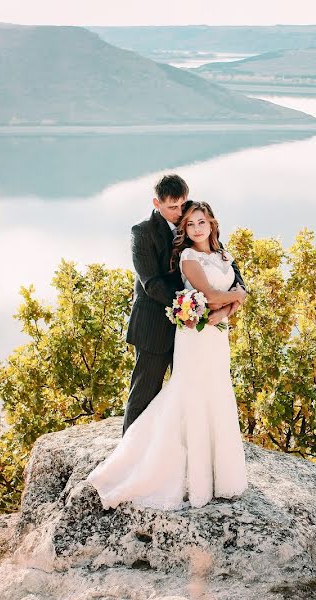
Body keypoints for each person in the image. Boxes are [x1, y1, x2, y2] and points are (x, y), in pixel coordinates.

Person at [86, 200, 249, 510]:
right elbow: (209, 296)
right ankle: (139, 456)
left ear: (211, 223)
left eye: (201, 222)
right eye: (190, 224)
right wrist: (234, 298)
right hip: (190, 333)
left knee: (214, 393)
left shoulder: (221, 253)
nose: (196, 227)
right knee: (172, 392)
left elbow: (232, 287)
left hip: (215, 336)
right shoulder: (185, 255)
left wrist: (227, 308)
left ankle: (217, 472)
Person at [120, 174, 245, 436]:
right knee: (144, 393)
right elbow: (151, 283)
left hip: (194, 334)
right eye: (172, 207)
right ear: (157, 203)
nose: (179, 213)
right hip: (154, 325)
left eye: (182, 204)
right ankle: (130, 453)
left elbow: (225, 262)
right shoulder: (142, 232)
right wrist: (195, 305)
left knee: (189, 396)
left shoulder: (194, 220)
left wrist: (231, 301)